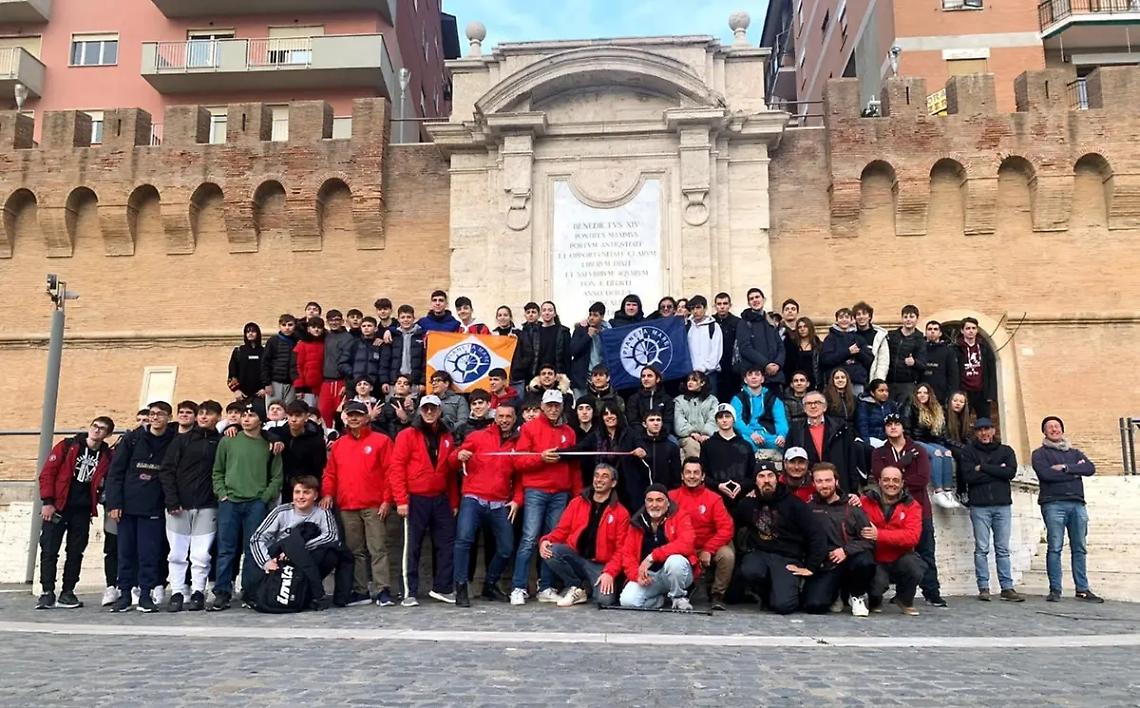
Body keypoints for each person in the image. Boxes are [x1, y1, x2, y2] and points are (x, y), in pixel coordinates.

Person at [35, 416, 115, 610]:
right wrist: (47, 502)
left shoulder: (106, 455)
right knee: (49, 549)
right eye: (95, 426)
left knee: (75, 552)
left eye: (102, 429)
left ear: (107, 434)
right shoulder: (68, 446)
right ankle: (47, 592)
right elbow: (48, 473)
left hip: (82, 509)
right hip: (59, 506)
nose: (97, 430)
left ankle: (68, 591)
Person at [209, 404, 283, 611]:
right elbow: (218, 471)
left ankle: (250, 590)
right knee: (226, 549)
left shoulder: (270, 445)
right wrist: (222, 493)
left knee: (254, 548)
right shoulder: (228, 441)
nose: (246, 419)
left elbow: (277, 476)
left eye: (251, 415)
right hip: (230, 502)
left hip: (256, 503)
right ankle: (222, 591)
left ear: (261, 420)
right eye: (244, 415)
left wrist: (264, 498)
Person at [106, 402, 177, 613]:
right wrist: (114, 503)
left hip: (154, 507)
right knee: (125, 553)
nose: (155, 418)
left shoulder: (173, 441)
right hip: (127, 506)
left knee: (149, 553)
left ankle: (146, 595)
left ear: (168, 417)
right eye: (152, 414)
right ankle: (124, 594)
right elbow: (115, 473)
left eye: (160, 414)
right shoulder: (132, 439)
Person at [510, 389, 579, 605]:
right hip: (536, 491)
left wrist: (577, 495)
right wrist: (540, 458)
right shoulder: (529, 429)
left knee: (552, 540)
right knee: (530, 539)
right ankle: (518, 587)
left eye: (556, 405)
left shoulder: (569, 431)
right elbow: (518, 462)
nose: (552, 409)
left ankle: (546, 586)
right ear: (542, 406)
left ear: (561, 406)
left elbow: (574, 465)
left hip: (560, 492)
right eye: (549, 405)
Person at [321, 400, 393, 607]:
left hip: (374, 504)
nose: (354, 418)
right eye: (350, 415)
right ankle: (360, 590)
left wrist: (387, 499)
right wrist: (328, 494)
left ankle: (382, 590)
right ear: (345, 417)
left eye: (358, 415)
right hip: (348, 505)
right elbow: (330, 473)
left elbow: (391, 472)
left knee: (377, 548)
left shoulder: (382, 441)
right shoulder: (339, 445)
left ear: (366, 417)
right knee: (355, 551)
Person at [871, 413, 946, 608]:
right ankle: (901, 593)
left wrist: (895, 479)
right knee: (896, 553)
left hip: (919, 508)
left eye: (897, 424)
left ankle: (932, 593)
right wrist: (903, 464)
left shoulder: (918, 450)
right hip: (890, 511)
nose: (893, 427)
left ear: (903, 427)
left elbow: (922, 479)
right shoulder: (879, 453)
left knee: (926, 552)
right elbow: (881, 478)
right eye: (889, 424)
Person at [391, 395, 460, 606]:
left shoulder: (447, 436)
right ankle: (409, 591)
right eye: (426, 409)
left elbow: (449, 472)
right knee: (412, 546)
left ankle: (442, 587)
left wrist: (454, 501)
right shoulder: (407, 435)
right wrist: (401, 500)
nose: (429, 413)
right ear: (420, 411)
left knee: (447, 544)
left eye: (433, 409)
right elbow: (397, 468)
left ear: (440, 411)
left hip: (440, 498)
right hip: (415, 498)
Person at [732, 462, 825, 614]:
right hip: (759, 554)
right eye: (761, 476)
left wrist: (811, 567)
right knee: (750, 570)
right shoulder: (747, 504)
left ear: (777, 479)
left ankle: (784, 591)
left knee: (784, 606)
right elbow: (731, 525)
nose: (766, 480)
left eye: (770, 476)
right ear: (755, 481)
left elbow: (816, 534)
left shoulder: (795, 504)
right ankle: (767, 593)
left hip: (786, 558)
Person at [453, 401, 522, 606]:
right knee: (463, 541)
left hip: (500, 503)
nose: (504, 420)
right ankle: (461, 586)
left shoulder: (518, 443)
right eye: (500, 416)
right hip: (473, 497)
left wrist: (517, 500)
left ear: (515, 418)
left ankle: (490, 584)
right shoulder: (477, 436)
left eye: (508, 416)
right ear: (495, 417)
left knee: (506, 548)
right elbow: (452, 460)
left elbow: (520, 477)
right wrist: (459, 455)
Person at [250, 475, 354, 610]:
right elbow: (257, 538)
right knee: (290, 540)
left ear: (315, 496)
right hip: (281, 562)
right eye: (297, 492)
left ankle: (329, 595)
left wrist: (297, 551)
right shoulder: (281, 511)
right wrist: (266, 562)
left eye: (306, 492)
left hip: (306, 558)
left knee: (335, 552)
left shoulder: (322, 512)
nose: (301, 497)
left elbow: (331, 537)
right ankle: (314, 593)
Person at [1031, 416, 1103, 603]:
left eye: (1057, 426)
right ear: (1044, 432)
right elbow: (1045, 474)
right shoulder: (1039, 454)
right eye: (1050, 427)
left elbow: (1090, 468)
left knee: (1079, 547)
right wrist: (1074, 471)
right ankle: (1055, 589)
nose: (1054, 429)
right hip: (1053, 503)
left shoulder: (1074, 452)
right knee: (1054, 547)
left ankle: (1082, 588)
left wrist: (1064, 468)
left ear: (1062, 429)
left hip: (1077, 504)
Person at [158, 401, 222, 612]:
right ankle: (177, 592)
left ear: (218, 417)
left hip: (207, 505)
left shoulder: (221, 442)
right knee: (176, 553)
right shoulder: (181, 441)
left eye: (209, 414)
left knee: (201, 555)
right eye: (201, 413)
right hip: (179, 506)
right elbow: (166, 471)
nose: (203, 417)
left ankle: (198, 591)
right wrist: (172, 500)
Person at [539, 463, 630, 607]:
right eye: (596, 475)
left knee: (604, 600)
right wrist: (547, 540)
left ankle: (584, 589)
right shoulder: (577, 502)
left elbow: (621, 550)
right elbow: (562, 529)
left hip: (601, 565)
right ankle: (575, 586)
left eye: (605, 476)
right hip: (576, 556)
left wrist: (609, 572)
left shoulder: (621, 513)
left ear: (613, 483)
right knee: (551, 550)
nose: (599, 480)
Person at [959, 418, 1024, 602]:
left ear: (993, 430)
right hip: (979, 505)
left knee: (1002, 548)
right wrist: (996, 471)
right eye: (980, 430)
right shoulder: (969, 452)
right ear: (976, 433)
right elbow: (969, 476)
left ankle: (1007, 587)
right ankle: (983, 587)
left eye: (987, 429)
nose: (984, 433)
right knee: (981, 548)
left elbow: (1009, 473)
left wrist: (983, 468)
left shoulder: (1006, 450)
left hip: (1002, 504)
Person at [802, 463, 875, 617]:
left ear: (836, 481)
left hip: (851, 559)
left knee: (865, 561)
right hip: (826, 564)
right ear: (813, 483)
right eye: (819, 481)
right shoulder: (808, 508)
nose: (824, 485)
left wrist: (846, 551)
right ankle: (836, 593)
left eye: (828, 480)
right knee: (814, 606)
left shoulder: (853, 506)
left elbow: (869, 540)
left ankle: (857, 595)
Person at [668, 458, 734, 610]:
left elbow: (726, 528)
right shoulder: (671, 498)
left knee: (727, 555)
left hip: (707, 545)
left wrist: (709, 549)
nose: (692, 476)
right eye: (688, 472)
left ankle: (717, 595)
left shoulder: (714, 498)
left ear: (703, 476)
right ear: (682, 476)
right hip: (682, 547)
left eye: (696, 473)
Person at [619, 484, 697, 610]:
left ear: (667, 503)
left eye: (659, 500)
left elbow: (687, 543)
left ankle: (678, 597)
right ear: (645, 503)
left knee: (675, 561)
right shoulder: (636, 522)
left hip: (675, 574)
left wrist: (653, 556)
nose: (654, 505)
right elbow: (628, 554)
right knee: (627, 601)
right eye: (650, 500)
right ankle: (660, 600)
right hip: (650, 576)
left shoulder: (680, 515)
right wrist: (636, 575)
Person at [861, 466, 925, 616]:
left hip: (901, 558)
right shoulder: (864, 501)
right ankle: (875, 599)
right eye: (887, 480)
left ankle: (904, 599)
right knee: (876, 583)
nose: (891, 484)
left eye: (896, 480)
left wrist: (879, 535)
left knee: (916, 568)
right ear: (879, 482)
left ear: (902, 483)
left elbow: (912, 537)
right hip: (875, 558)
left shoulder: (912, 505)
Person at [786, 390, 862, 496]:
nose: (813, 406)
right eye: (808, 403)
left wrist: (853, 489)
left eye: (817, 403)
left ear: (825, 407)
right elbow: (787, 458)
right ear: (803, 408)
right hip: (807, 486)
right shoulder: (795, 429)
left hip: (838, 484)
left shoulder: (841, 427)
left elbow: (851, 458)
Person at [901, 384, 959, 509]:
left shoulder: (936, 409)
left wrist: (957, 446)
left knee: (947, 453)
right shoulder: (911, 406)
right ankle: (938, 491)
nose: (922, 395)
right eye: (919, 392)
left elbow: (940, 434)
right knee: (936, 453)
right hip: (913, 441)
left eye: (925, 392)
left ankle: (947, 491)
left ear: (930, 395)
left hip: (929, 442)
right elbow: (906, 429)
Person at [268, 401, 328, 502]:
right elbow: (263, 432)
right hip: (282, 486)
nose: (293, 419)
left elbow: (319, 466)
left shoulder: (315, 439)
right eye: (290, 415)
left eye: (298, 415)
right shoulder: (279, 432)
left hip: (305, 486)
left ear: (306, 417)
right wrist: (274, 440)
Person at [699, 403, 755, 507]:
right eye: (720, 417)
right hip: (714, 499)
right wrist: (718, 486)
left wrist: (741, 486)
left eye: (727, 416)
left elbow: (752, 475)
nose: (724, 420)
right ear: (716, 421)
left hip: (742, 499)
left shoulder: (746, 445)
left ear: (733, 419)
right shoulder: (708, 445)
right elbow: (703, 474)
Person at [624, 411, 681, 506]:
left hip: (665, 493)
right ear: (644, 424)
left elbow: (676, 474)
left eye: (658, 420)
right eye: (651, 420)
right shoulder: (637, 445)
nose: (656, 423)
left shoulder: (672, 446)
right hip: (639, 494)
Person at [731, 365, 788, 459]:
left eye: (757, 374)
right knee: (745, 444)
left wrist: (782, 435)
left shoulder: (773, 399)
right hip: (747, 435)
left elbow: (781, 420)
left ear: (762, 379)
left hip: (768, 435)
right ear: (745, 380)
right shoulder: (737, 399)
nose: (754, 377)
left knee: (782, 444)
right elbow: (736, 421)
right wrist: (751, 434)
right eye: (750, 375)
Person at [736, 288, 785, 389]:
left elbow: (781, 347)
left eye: (757, 297)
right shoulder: (744, 323)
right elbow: (745, 348)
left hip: (775, 377)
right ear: (749, 303)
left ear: (764, 299)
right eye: (751, 298)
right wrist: (766, 364)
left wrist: (777, 364)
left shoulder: (770, 322)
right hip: (754, 377)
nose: (755, 300)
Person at [820, 308, 874, 397]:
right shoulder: (830, 339)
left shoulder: (859, 338)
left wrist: (858, 352)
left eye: (847, 317)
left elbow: (869, 360)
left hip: (856, 380)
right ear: (837, 320)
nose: (844, 320)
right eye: (841, 317)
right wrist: (847, 352)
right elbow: (826, 360)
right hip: (836, 382)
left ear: (852, 320)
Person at [956, 317, 997, 420]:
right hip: (964, 392)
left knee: (984, 422)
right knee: (962, 422)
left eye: (974, 328)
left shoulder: (984, 348)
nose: (971, 331)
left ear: (977, 330)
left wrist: (991, 393)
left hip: (982, 392)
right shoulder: (955, 349)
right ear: (962, 330)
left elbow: (991, 371)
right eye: (968, 328)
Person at [885, 304, 927, 402]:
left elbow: (923, 364)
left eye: (911, 317)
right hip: (889, 382)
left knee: (904, 413)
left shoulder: (920, 340)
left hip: (907, 384)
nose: (908, 319)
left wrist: (914, 363)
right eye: (905, 317)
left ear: (917, 319)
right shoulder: (891, 336)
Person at [318, 310, 353, 428]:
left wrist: (347, 383)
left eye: (337, 320)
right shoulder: (325, 336)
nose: (334, 322)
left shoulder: (348, 338)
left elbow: (350, 361)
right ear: (327, 322)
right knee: (324, 411)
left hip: (341, 381)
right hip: (326, 381)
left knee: (341, 413)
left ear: (342, 321)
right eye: (331, 320)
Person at [674, 371, 718, 459]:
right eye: (688, 380)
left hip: (708, 436)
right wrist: (692, 432)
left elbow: (713, 419)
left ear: (702, 383)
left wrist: (706, 433)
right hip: (687, 437)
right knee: (692, 444)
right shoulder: (679, 401)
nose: (690, 382)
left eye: (694, 380)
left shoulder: (712, 400)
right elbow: (679, 422)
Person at [569, 302, 609, 397]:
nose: (591, 318)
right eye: (590, 314)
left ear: (602, 317)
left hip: (600, 377)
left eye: (595, 315)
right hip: (581, 378)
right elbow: (573, 351)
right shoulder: (580, 330)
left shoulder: (607, 332)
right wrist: (587, 336)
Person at [686, 296, 723, 395]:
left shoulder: (714, 326)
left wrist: (703, 368)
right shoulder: (687, 326)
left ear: (705, 308)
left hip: (709, 375)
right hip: (691, 375)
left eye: (698, 307)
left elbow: (717, 351)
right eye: (692, 308)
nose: (695, 311)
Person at [387, 305, 428, 391]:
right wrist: (385, 381)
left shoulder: (421, 336)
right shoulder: (392, 336)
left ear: (414, 319)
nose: (406, 320)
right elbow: (385, 361)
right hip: (395, 382)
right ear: (398, 319)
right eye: (403, 317)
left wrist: (423, 382)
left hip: (414, 383)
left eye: (409, 317)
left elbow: (425, 361)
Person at [625, 365, 675, 433]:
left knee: (673, 441)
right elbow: (633, 421)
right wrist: (646, 434)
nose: (645, 379)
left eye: (649, 376)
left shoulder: (666, 399)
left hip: (662, 435)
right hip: (640, 436)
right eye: (643, 376)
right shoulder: (634, 399)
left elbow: (668, 421)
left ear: (657, 379)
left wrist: (659, 433)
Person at [261, 314, 298, 405]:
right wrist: (267, 383)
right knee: (273, 408)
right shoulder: (273, 341)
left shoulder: (297, 341)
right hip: (275, 381)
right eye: (284, 325)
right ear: (279, 326)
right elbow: (265, 362)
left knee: (289, 409)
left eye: (290, 325)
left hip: (291, 382)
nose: (287, 328)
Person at [851, 301, 890, 387]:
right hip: (854, 381)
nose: (861, 317)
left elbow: (883, 362)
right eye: (858, 314)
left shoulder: (879, 336)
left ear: (869, 316)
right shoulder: (850, 335)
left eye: (864, 314)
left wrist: (878, 382)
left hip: (873, 380)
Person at [712, 292, 741, 403]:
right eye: (719, 304)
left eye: (725, 303)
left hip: (732, 368)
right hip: (715, 366)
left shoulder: (737, 322)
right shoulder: (710, 322)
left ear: (730, 305)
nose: (722, 306)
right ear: (715, 306)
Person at [292, 316, 326, 409]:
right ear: (308, 329)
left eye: (319, 327)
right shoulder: (301, 345)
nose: (317, 330)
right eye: (314, 327)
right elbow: (296, 366)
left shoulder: (325, 344)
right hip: (306, 388)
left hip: (321, 387)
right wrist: (299, 387)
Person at [921, 320, 959, 403]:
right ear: (926, 332)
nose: (932, 331)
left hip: (941, 396)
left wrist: (950, 395)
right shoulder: (920, 349)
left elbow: (953, 376)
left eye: (935, 329)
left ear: (940, 333)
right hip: (921, 395)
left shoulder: (948, 351)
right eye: (930, 329)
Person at [227, 322, 264, 402]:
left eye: (253, 331)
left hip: (261, 395)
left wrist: (265, 389)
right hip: (242, 395)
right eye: (248, 332)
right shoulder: (239, 351)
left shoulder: (264, 351)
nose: (250, 333)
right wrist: (236, 390)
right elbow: (232, 372)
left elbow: (270, 371)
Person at [857, 379, 897, 447]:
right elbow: (863, 426)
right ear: (872, 392)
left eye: (887, 391)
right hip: (870, 439)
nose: (885, 393)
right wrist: (867, 444)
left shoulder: (891, 405)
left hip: (887, 440)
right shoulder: (864, 405)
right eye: (881, 391)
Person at [785, 317, 822, 390]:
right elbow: (788, 365)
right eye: (799, 327)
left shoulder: (818, 345)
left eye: (805, 326)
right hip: (796, 382)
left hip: (814, 382)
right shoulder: (791, 345)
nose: (802, 329)